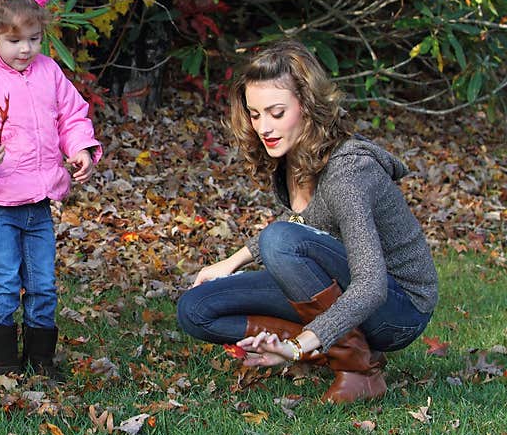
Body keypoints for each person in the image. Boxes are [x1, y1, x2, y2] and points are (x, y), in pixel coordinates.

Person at [176, 39, 439, 404]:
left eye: (276, 112)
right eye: (254, 114)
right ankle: (339, 349)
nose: (263, 126)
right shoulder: (291, 157)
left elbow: (371, 285)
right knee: (196, 309)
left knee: (279, 241)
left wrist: (298, 346)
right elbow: (306, 219)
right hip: (344, 289)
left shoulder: (348, 173)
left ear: (308, 106)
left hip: (399, 309)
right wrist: (231, 262)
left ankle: (356, 367)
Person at [0, 0, 102, 382]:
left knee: (43, 284)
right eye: (15, 41)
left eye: (34, 39)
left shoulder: (48, 72)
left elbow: (71, 114)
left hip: (37, 203)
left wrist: (80, 148)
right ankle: (3, 363)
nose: (26, 49)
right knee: (2, 282)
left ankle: (41, 360)